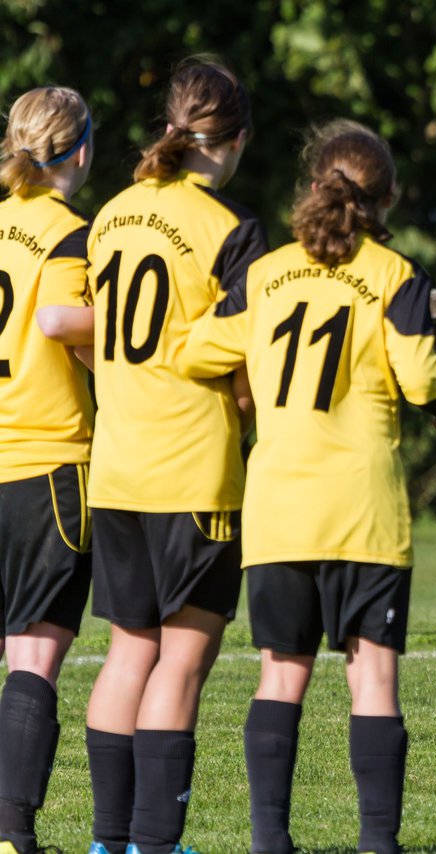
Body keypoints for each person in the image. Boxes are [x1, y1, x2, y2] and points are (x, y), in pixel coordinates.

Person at [179, 120, 436, 854]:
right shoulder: (395, 275)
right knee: (372, 679)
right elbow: (423, 377)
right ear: (387, 198)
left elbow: (198, 352)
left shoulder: (265, 273)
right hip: (363, 508)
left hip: (278, 506)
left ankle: (270, 842)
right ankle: (377, 844)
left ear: (314, 186)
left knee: (280, 678)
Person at [83, 57, 267, 854]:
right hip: (193, 468)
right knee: (182, 662)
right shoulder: (231, 227)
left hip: (116, 463)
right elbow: (247, 358)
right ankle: (155, 844)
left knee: (129, 651)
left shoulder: (111, 213)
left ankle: (105, 841)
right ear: (234, 139)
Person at [0, 85, 95, 854]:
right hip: (45, 465)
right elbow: (70, 330)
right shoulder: (67, 234)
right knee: (33, 655)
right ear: (81, 149)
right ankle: (11, 835)